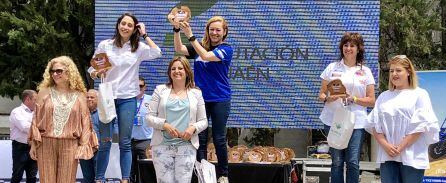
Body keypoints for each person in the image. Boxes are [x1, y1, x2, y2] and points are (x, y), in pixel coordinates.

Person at [88, 12, 162, 182]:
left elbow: (157, 52)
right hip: (107, 98)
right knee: (105, 141)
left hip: (128, 98)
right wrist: (95, 73)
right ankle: (99, 179)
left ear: (134, 28)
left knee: (125, 142)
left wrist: (144, 34)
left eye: (130, 25)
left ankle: (125, 179)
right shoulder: (105, 45)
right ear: (118, 24)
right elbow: (92, 69)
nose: (125, 27)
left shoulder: (138, 47)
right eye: (123, 23)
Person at [172, 15, 233, 183]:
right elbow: (179, 49)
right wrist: (177, 29)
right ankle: (202, 174)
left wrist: (190, 35)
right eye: (211, 29)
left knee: (219, 138)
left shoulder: (226, 49)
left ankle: (223, 175)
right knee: (201, 138)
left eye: (218, 30)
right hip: (200, 99)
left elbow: (206, 56)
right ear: (207, 30)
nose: (214, 32)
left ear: (224, 32)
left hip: (220, 98)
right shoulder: (201, 47)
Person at [367, 55, 440, 183]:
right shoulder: (384, 96)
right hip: (388, 155)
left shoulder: (420, 94)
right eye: (391, 71)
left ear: (408, 72)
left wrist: (400, 147)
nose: (394, 74)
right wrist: (386, 145)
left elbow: (421, 125)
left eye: (398, 70)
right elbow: (375, 124)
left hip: (412, 155)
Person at [28, 56, 98, 183]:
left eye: (59, 71)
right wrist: (33, 144)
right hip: (45, 143)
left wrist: (83, 145)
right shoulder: (43, 93)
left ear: (69, 71)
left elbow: (86, 122)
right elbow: (35, 120)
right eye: (52, 71)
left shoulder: (81, 95)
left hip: (70, 144)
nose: (55, 74)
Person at [318, 32, 376, 183]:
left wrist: (354, 98)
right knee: (337, 162)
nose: (348, 48)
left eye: (352, 45)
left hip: (356, 122)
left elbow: (371, 100)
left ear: (358, 49)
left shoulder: (366, 71)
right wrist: (329, 98)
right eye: (345, 45)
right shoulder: (331, 68)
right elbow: (321, 95)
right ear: (341, 48)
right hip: (333, 120)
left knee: (352, 162)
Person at [147, 56, 208, 183]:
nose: (176, 71)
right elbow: (149, 117)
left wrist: (193, 128)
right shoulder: (160, 90)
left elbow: (204, 121)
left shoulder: (196, 93)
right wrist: (165, 125)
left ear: (187, 72)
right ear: (169, 72)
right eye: (173, 69)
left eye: (180, 68)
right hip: (162, 146)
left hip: (186, 146)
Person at [10, 89, 38, 183]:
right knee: (17, 175)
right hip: (20, 147)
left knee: (32, 176)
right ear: (27, 99)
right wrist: (38, 128)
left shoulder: (37, 112)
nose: (37, 102)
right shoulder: (16, 111)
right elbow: (25, 127)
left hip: (34, 146)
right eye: (35, 99)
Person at [130, 77, 154, 183]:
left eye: (140, 86)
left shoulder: (152, 99)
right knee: (129, 171)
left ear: (145, 87)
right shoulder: (128, 100)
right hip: (129, 140)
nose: (138, 88)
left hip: (145, 141)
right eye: (136, 86)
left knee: (146, 171)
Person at [80, 89, 101, 183]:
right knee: (87, 177)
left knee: (99, 177)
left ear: (98, 99)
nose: (89, 99)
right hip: (84, 148)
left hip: (99, 149)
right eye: (87, 97)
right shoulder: (80, 112)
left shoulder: (103, 113)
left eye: (92, 97)